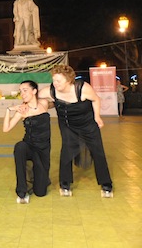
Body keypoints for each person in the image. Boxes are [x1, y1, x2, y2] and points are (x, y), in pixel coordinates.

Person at [38, 64, 113, 197]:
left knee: (97, 152)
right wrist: (44, 104)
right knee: (67, 151)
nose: (55, 83)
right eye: (54, 80)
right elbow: (37, 99)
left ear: (68, 80)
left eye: (58, 81)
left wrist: (97, 116)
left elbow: (96, 99)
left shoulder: (82, 88)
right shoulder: (50, 91)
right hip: (67, 124)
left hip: (88, 124)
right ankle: (65, 184)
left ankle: (106, 184)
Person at [3, 80, 51, 204]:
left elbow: (58, 100)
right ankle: (22, 192)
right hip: (29, 146)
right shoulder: (22, 110)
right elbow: (6, 129)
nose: (22, 93)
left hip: (43, 149)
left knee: (40, 192)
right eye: (20, 91)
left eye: (25, 90)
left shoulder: (44, 104)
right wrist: (9, 109)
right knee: (19, 147)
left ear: (34, 91)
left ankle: (40, 177)